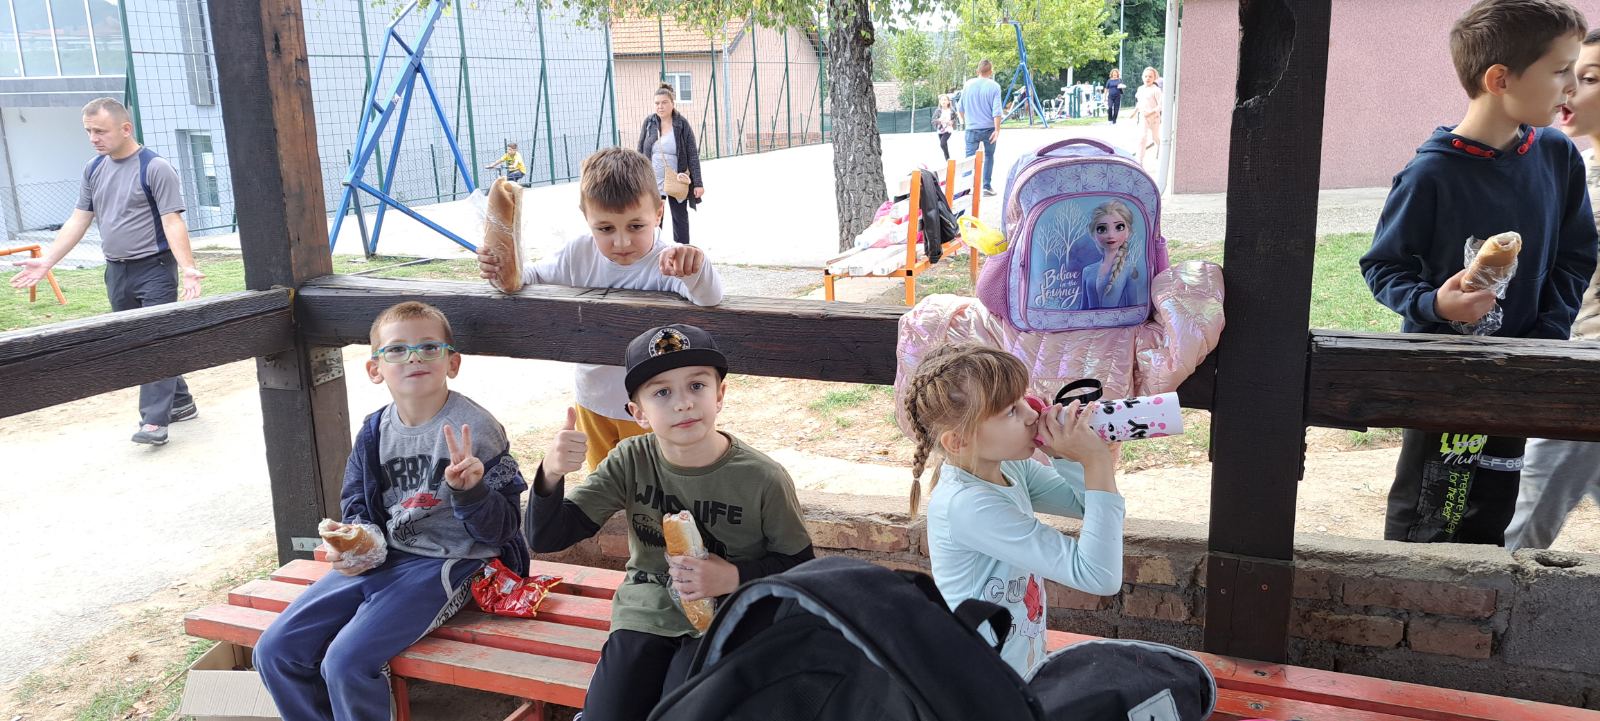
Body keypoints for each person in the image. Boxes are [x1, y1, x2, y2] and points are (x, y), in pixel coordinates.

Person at [1359, 0, 1596, 546]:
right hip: (1444, 376)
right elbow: (1383, 266)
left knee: (1494, 501)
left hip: (1522, 368)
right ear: (1499, 79)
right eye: (1561, 70)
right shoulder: (1431, 173)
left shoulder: (1557, 156)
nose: (1571, 87)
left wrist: (1547, 334)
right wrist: (1435, 304)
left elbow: (1576, 254)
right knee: (1432, 509)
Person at [253, 301, 529, 721]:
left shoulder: (475, 429)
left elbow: (503, 529)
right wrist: (359, 542)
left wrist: (472, 492)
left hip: (453, 563)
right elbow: (357, 503)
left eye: (429, 347)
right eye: (397, 349)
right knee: (274, 651)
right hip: (385, 557)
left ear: (452, 363)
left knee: (345, 663)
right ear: (375, 369)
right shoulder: (375, 430)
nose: (414, 357)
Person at [526, 323, 816, 721]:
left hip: (731, 615)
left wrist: (732, 577)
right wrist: (551, 472)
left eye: (697, 385)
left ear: (720, 395)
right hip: (647, 609)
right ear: (638, 413)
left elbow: (801, 567)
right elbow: (547, 536)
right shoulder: (630, 460)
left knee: (684, 711)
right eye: (662, 392)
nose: (683, 403)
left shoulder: (763, 478)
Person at [476, 147, 723, 472]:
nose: (621, 242)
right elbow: (525, 279)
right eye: (605, 229)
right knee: (603, 482)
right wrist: (498, 270)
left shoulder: (670, 260)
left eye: (636, 226)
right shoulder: (578, 254)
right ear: (587, 219)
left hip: (655, 410)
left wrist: (695, 267)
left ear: (658, 213)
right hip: (593, 402)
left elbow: (709, 297)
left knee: (653, 484)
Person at [905, 344, 1124, 676]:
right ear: (959, 441)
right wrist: (1096, 462)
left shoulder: (1008, 467)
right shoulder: (968, 506)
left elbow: (1084, 504)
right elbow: (1099, 576)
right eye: (1011, 411)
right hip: (978, 680)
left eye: (1023, 399)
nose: (1032, 414)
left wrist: (1066, 454)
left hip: (1017, 669)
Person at [8, 97, 204, 446]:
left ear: (125, 129)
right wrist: (48, 260)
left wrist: (188, 268)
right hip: (116, 270)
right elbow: (79, 219)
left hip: (155, 268)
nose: (93, 138)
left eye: (100, 131)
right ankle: (181, 402)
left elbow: (172, 221)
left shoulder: (155, 167)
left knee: (153, 340)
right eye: (88, 131)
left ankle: (154, 422)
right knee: (133, 341)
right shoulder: (94, 168)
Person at [1505, 28, 1600, 551]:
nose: (1570, 89)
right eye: (1566, 73)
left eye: (1589, 78)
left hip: (1585, 378)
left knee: (1521, 531)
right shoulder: (1573, 168)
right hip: (1568, 358)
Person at [637, 83, 704, 244]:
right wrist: (637, 178)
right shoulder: (649, 123)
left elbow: (692, 154)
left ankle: (682, 249)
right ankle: (652, 248)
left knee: (679, 217)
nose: (660, 106)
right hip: (653, 180)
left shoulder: (681, 124)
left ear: (672, 103)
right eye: (657, 103)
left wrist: (698, 183)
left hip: (676, 179)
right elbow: (640, 150)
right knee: (653, 218)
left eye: (664, 102)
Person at [1079, 200, 1145, 310]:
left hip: (1118, 321)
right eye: (1102, 229)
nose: (1110, 235)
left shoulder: (1129, 269)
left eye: (1119, 227)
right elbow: (1083, 307)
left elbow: (1132, 309)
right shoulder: (1087, 270)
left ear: (1128, 232)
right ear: (1093, 234)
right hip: (1088, 321)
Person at [958, 59, 1003, 196]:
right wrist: (997, 130)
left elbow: (960, 108)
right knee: (989, 156)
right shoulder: (994, 86)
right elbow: (997, 111)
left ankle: (965, 188)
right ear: (991, 71)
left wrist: (966, 122)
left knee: (969, 158)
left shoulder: (968, 85)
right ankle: (986, 186)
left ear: (977, 71)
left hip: (971, 128)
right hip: (989, 128)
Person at [1135, 67, 1163, 168]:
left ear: (1154, 78)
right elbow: (1139, 103)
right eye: (1146, 76)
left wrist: (1151, 113)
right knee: (1142, 137)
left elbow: (1160, 106)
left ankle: (1161, 147)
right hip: (1144, 118)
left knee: (1155, 137)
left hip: (1154, 118)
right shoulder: (1140, 89)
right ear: (1142, 77)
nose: (1148, 78)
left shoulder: (1156, 90)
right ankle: (1139, 160)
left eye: (1150, 76)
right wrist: (1134, 112)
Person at [935, 94, 957, 160]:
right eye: (942, 100)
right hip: (940, 130)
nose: (943, 101)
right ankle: (948, 160)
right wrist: (939, 120)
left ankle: (948, 159)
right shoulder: (938, 111)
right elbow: (933, 120)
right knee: (944, 145)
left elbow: (955, 118)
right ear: (940, 102)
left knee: (942, 144)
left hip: (948, 130)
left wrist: (952, 122)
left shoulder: (951, 110)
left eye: (945, 100)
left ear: (948, 102)